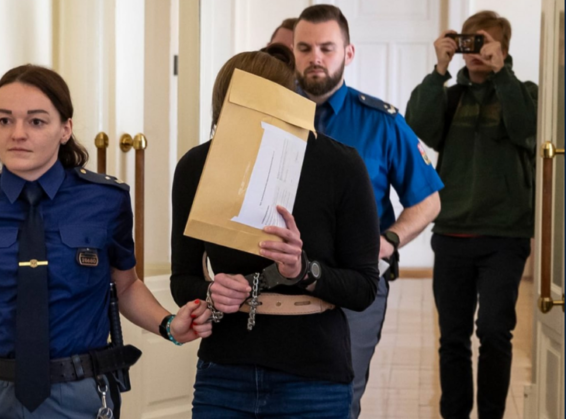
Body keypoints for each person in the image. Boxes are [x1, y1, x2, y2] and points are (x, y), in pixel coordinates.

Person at [0, 64, 212, 419]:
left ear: (65, 129)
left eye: (36, 121)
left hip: (79, 396)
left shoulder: (106, 201)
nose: (17, 133)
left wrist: (169, 325)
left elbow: (126, 286)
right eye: (4, 120)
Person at [171, 44, 380, 418]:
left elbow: (364, 287)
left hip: (314, 375)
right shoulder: (196, 166)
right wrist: (211, 291)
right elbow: (181, 279)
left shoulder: (340, 165)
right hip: (224, 371)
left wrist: (304, 271)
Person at [292, 5, 444, 418]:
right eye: (305, 48)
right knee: (286, 394)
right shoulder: (270, 117)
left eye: (327, 48)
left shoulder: (382, 122)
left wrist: (389, 241)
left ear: (349, 53)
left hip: (355, 280)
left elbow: (428, 200)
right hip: (282, 281)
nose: (315, 57)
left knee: (342, 394)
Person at [405, 11, 537, 419]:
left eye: (484, 42)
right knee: (453, 338)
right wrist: (438, 71)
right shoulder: (450, 96)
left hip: (505, 235)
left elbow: (527, 129)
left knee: (495, 333)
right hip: (452, 233)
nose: (475, 50)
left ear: (503, 48)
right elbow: (417, 126)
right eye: (469, 42)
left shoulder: (525, 92)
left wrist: (502, 74)